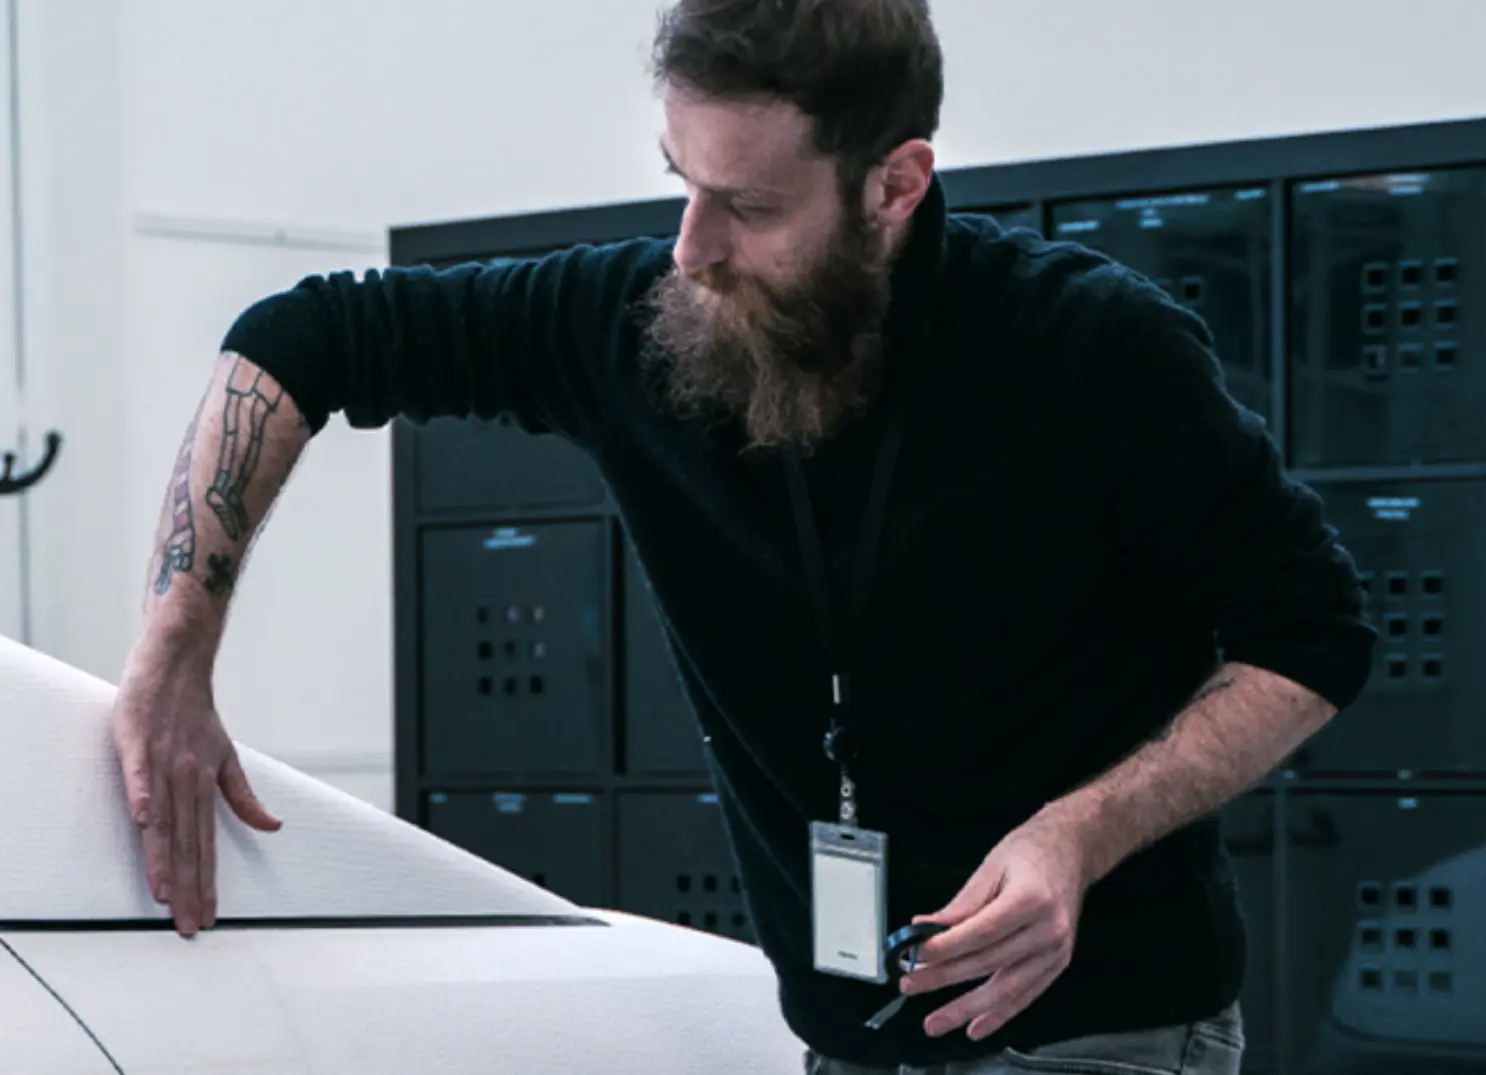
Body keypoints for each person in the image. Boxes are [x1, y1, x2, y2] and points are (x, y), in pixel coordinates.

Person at [105, 0, 1376, 1070]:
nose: (692, 248)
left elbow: (1312, 636)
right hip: (844, 1031)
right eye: (682, 183)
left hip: (1098, 1022)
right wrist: (173, 656)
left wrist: (1074, 834)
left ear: (895, 185)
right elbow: (299, 339)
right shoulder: (636, 323)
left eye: (750, 206)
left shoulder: (1092, 348)